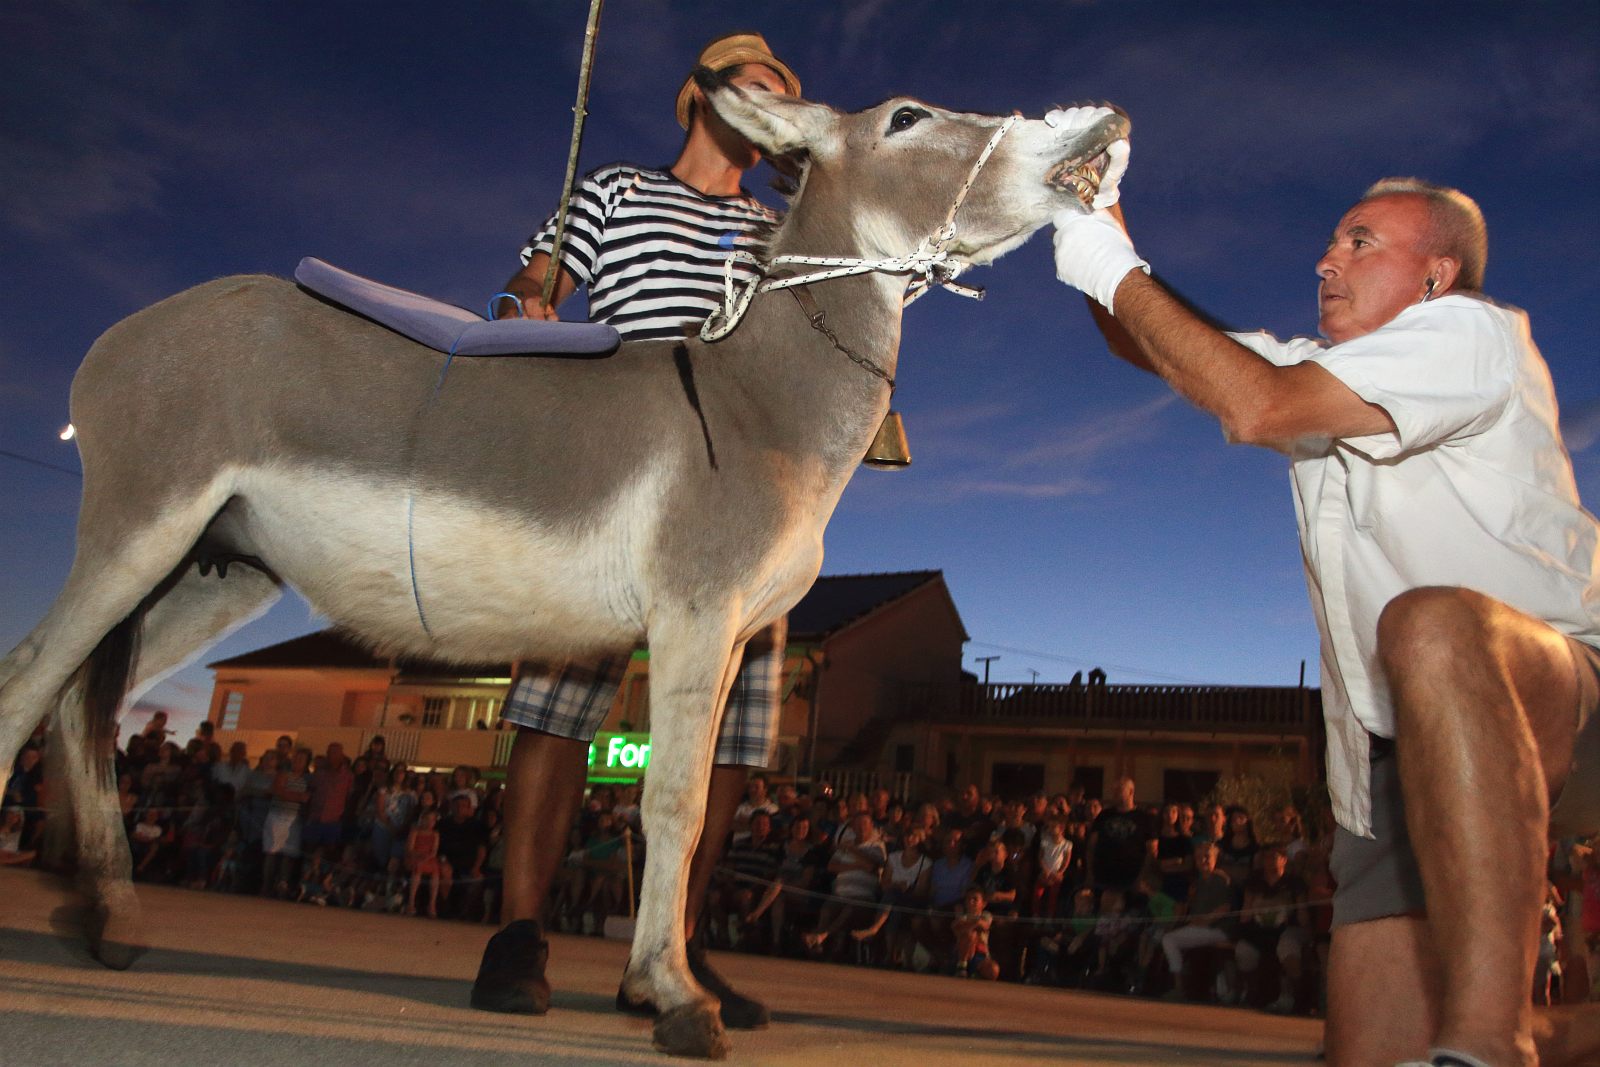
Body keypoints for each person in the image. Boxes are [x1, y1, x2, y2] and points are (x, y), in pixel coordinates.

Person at [1051, 129, 1600, 1065]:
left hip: (1551, 693)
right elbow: (1157, 344)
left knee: (1428, 622)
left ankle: (1492, 1042)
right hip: (1390, 753)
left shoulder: (1473, 332)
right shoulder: (1314, 371)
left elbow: (1254, 405)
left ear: (1435, 275)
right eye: (1332, 242)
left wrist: (1104, 260)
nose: (1326, 258)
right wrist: (1089, 210)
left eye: (1359, 241)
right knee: (1365, 1054)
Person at [470, 32, 803, 1032]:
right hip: (615, 462)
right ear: (699, 96)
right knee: (555, 701)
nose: (778, 107)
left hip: (742, 491)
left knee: (728, 735)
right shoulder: (613, 187)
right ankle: (518, 934)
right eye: (761, 89)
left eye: (789, 101)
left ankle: (668, 945)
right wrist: (522, 304)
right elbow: (535, 281)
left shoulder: (779, 228)